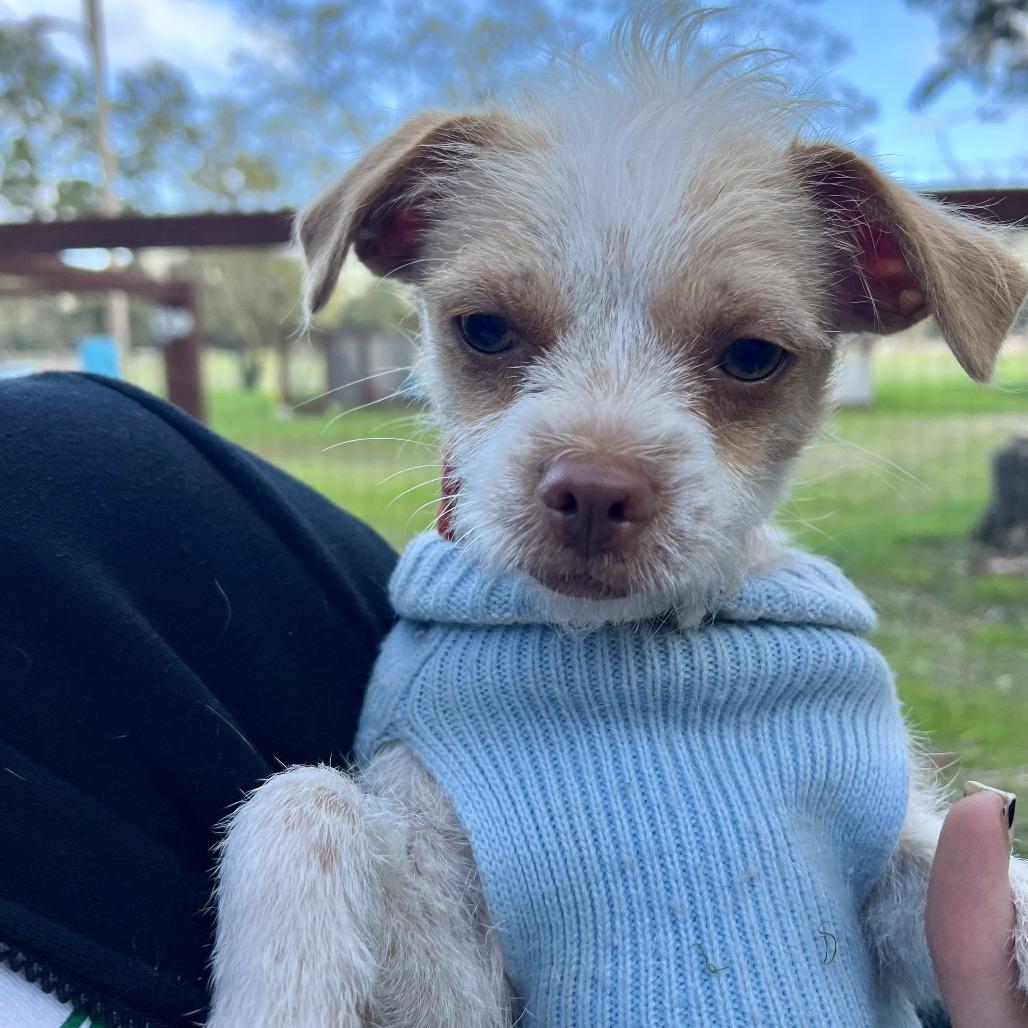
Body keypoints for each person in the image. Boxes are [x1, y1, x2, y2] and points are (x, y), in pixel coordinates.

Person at [0, 372, 1023, 1028]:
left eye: (747, 357)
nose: (596, 478)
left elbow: (910, 910)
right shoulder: (443, 675)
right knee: (301, 813)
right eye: (490, 333)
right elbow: (444, 998)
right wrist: (301, 848)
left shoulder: (813, 667)